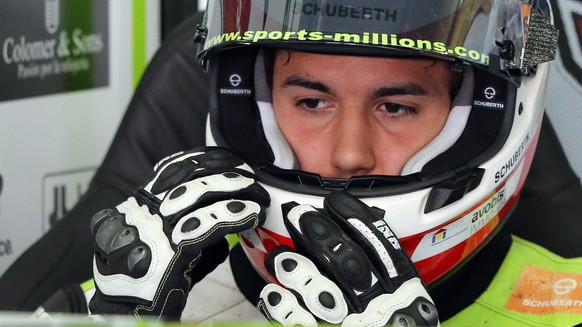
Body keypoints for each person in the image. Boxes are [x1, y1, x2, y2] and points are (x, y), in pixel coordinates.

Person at [4, 0, 582, 326]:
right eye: (311, 101)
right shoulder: (147, 298)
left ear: (482, 118)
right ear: (252, 112)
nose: (348, 153)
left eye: (398, 106)